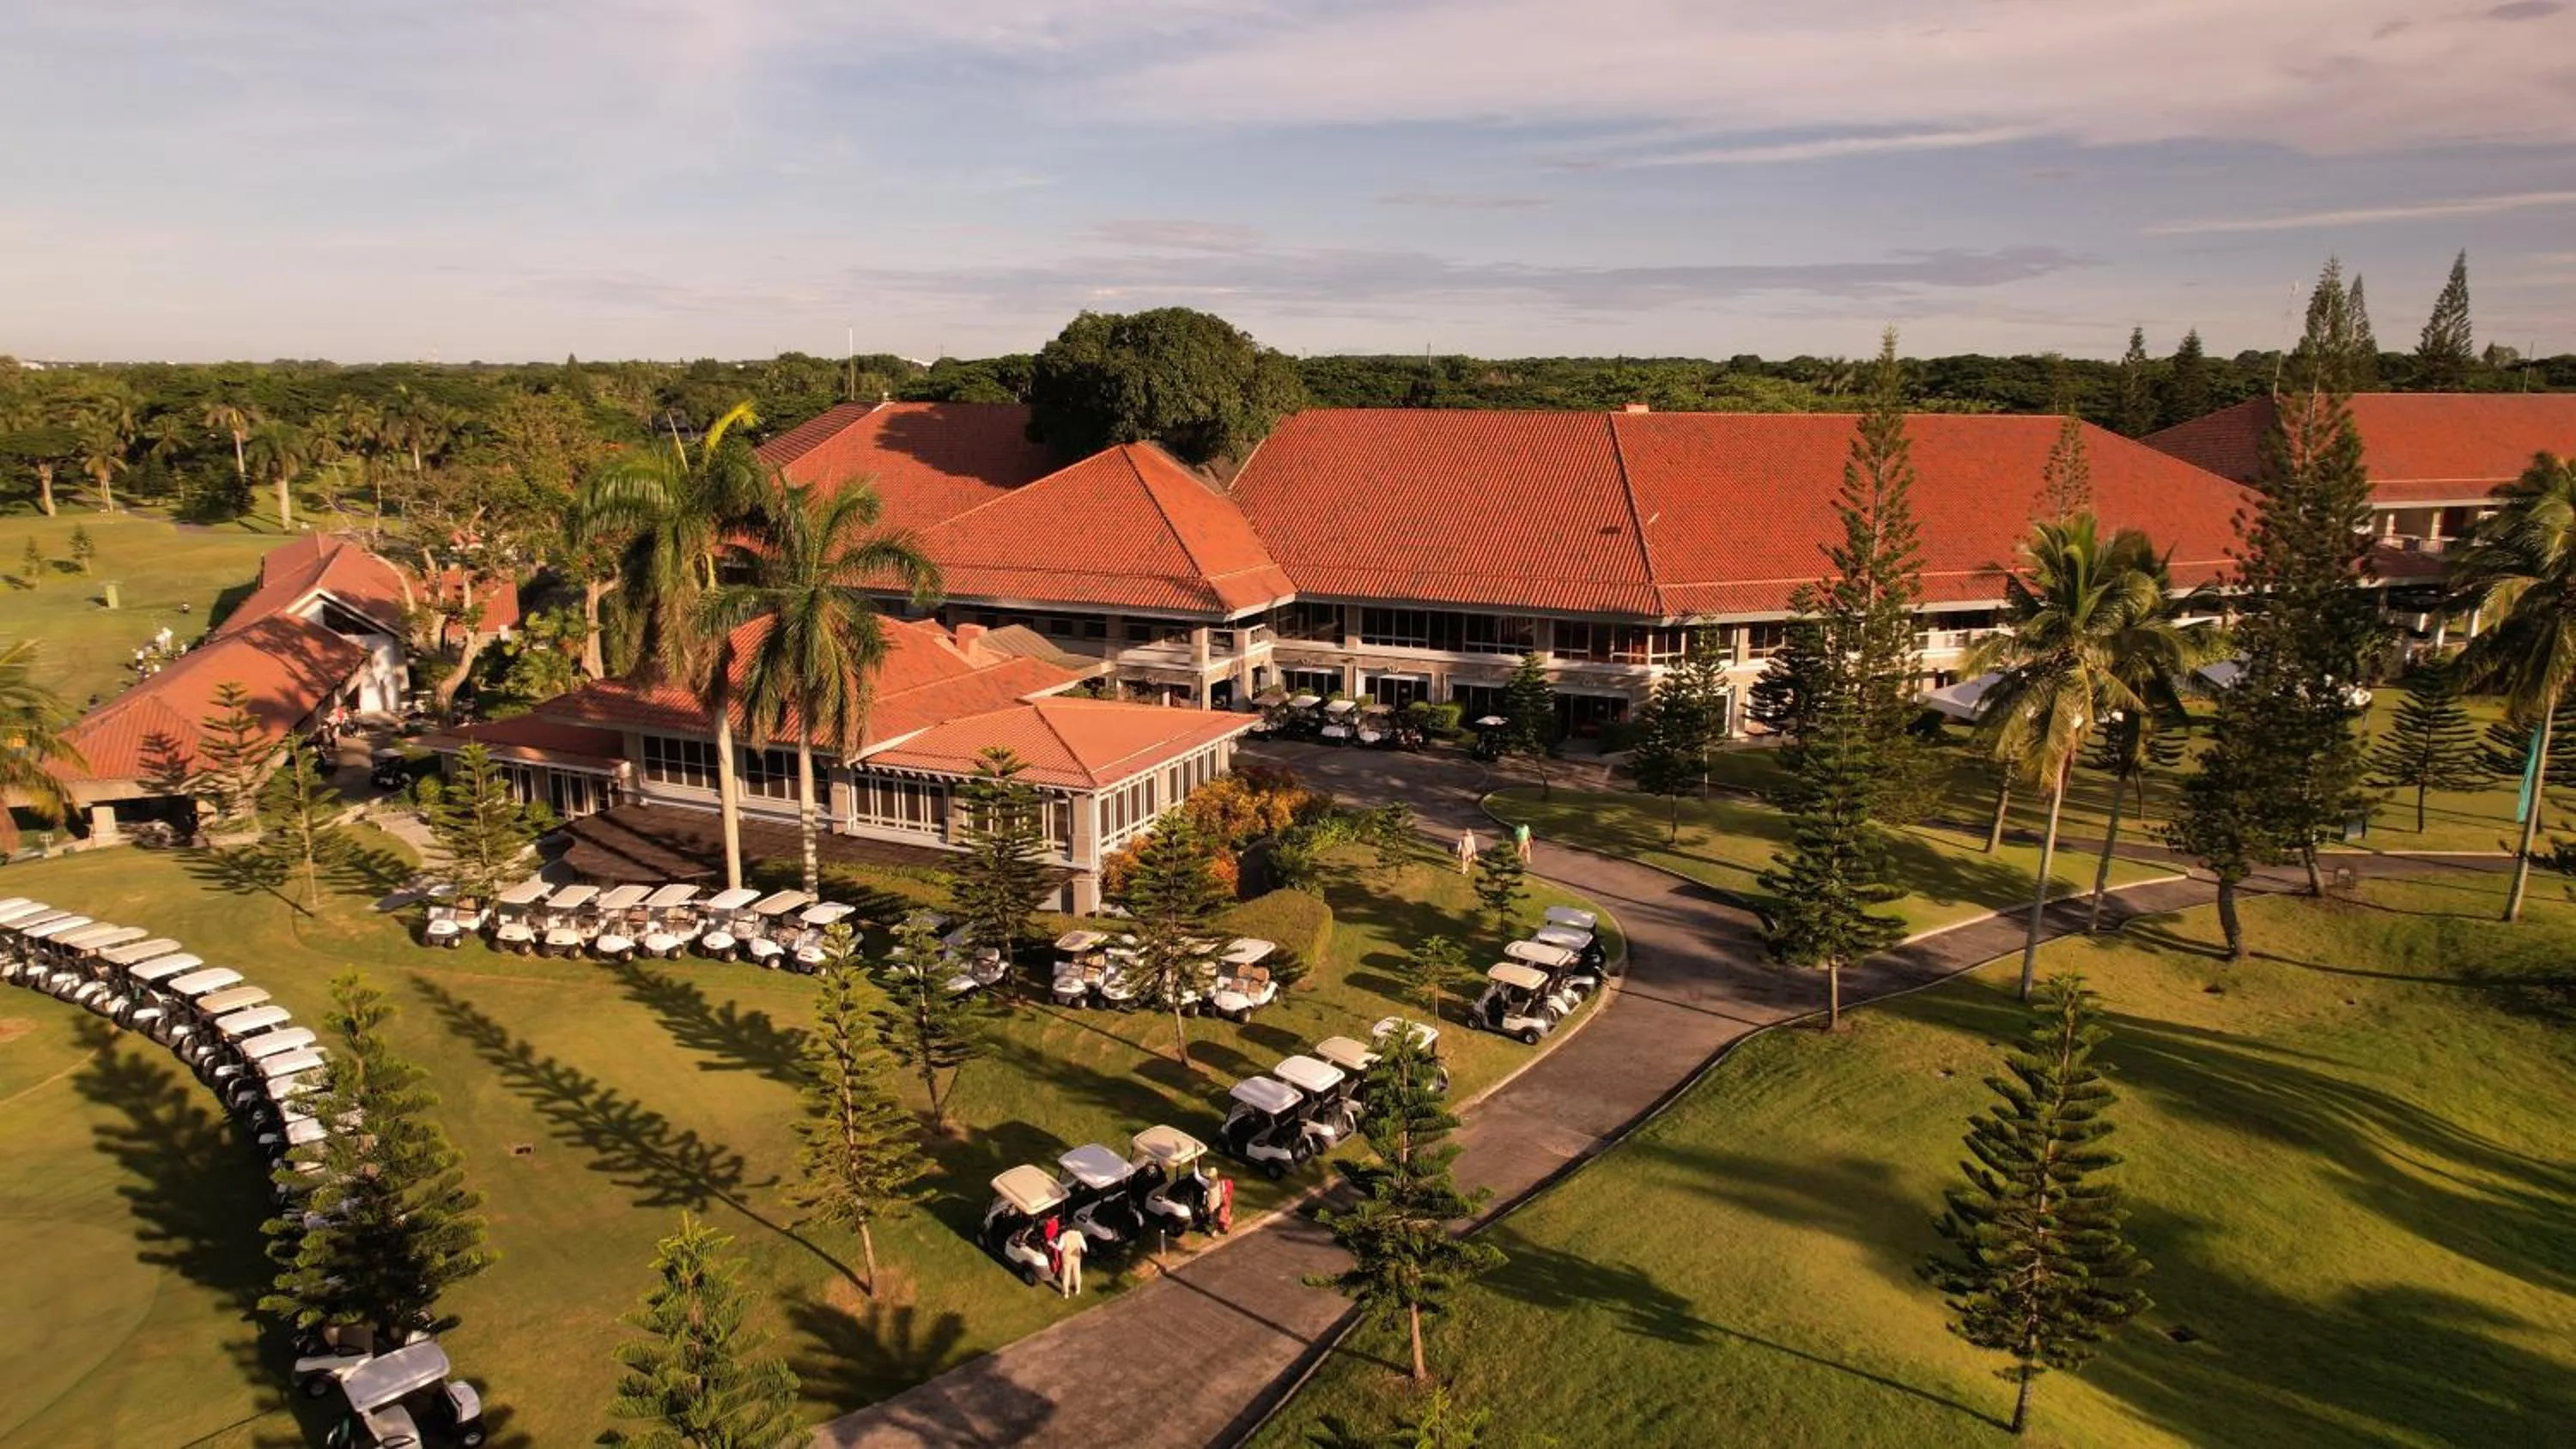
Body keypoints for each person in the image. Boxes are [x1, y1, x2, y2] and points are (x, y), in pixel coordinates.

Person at [1056, 1219, 1086, 1298]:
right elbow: (1085, 1248)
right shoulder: (1079, 1234)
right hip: (1076, 1257)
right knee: (1077, 1273)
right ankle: (1078, 1290)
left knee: (1066, 1275)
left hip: (1066, 1257)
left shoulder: (1064, 1235)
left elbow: (1059, 1248)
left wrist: (1054, 1244)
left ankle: (1066, 1293)